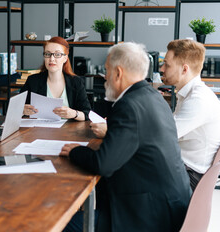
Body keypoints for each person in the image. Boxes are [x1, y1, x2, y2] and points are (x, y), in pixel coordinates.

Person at [61, 42, 191, 232]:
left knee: (63, 224)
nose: (105, 77)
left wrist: (75, 151)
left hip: (150, 215)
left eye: (106, 71)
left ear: (118, 73)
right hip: (170, 204)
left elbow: (103, 164)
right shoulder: (153, 96)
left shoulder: (129, 106)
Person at [160, 39, 220, 191]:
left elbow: (163, 136)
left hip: (191, 177)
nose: (162, 69)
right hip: (186, 169)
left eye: (167, 64)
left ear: (184, 69)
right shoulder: (190, 94)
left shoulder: (198, 100)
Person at [20, 37, 91, 121]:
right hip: (39, 132)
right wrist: (22, 111)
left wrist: (74, 114)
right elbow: (14, 110)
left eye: (57, 54)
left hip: (68, 132)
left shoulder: (76, 82)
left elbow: (87, 114)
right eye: (47, 54)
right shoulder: (33, 81)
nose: (52, 59)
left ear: (65, 58)